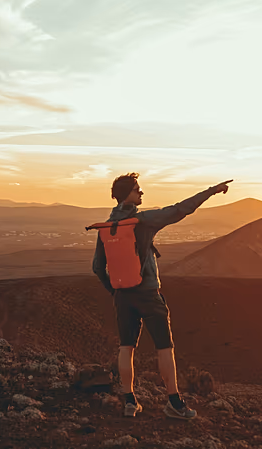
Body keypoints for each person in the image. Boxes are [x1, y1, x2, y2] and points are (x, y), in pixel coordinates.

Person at [92, 173, 232, 419]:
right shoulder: (142, 220)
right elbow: (180, 210)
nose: (141, 192)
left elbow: (97, 267)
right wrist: (211, 190)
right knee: (164, 347)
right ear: (128, 195)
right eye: (137, 189)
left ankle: (129, 402)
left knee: (126, 347)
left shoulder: (107, 226)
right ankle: (174, 403)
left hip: (123, 296)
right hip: (147, 293)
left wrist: (115, 291)